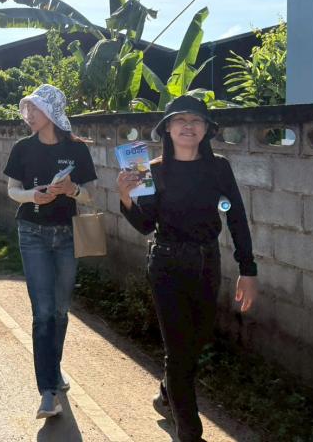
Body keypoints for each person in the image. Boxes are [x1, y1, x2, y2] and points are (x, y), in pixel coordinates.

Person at [117, 95, 258, 442]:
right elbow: (145, 224)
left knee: (195, 344)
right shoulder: (152, 170)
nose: (188, 126)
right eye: (180, 120)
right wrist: (125, 198)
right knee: (179, 354)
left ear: (207, 129)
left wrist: (248, 269)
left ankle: (168, 393)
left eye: (196, 121)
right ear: (167, 128)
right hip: (167, 265)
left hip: (208, 263)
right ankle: (190, 433)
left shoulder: (219, 168)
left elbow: (236, 218)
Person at [3, 84, 97, 419]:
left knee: (59, 311)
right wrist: (33, 196)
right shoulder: (22, 147)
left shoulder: (77, 149)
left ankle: (53, 370)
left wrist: (72, 189)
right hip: (32, 233)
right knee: (42, 313)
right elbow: (12, 190)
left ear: (52, 112)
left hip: (67, 235)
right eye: (27, 108)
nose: (29, 115)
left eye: (35, 109)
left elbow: (89, 196)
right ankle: (47, 391)